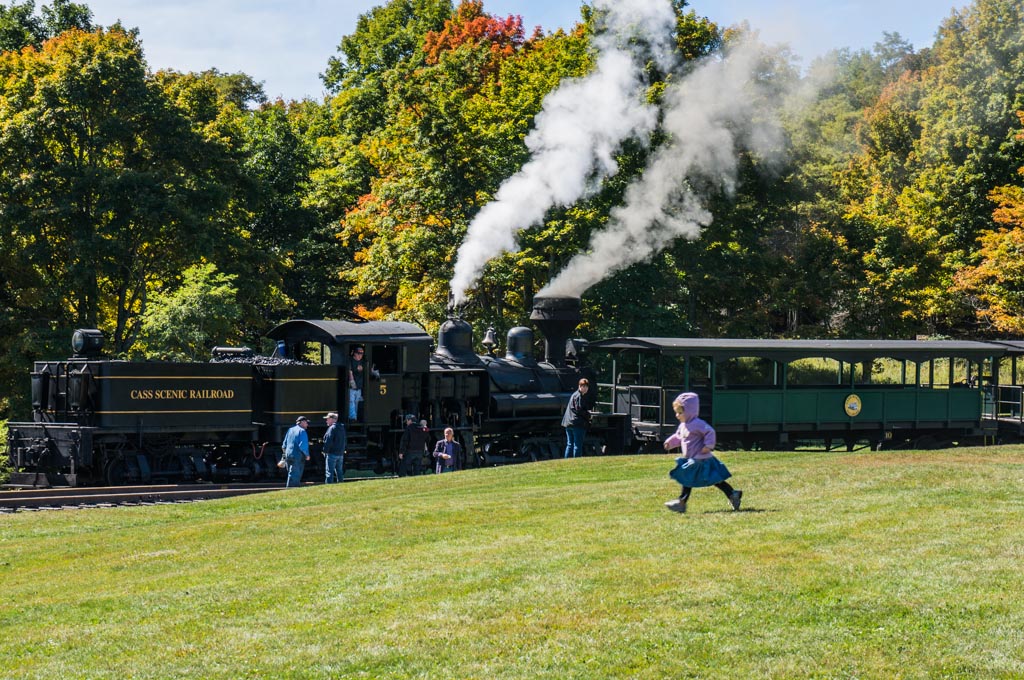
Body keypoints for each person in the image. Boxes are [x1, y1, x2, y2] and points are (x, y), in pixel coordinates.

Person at [663, 392, 742, 514]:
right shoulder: (683, 426)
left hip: (701, 459)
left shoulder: (697, 424)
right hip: (692, 458)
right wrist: (670, 443)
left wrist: (708, 446)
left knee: (687, 478)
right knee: (714, 480)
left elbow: (710, 432)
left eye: (680, 412)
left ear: (690, 411)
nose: (677, 415)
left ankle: (681, 502)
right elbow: (679, 437)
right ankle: (732, 493)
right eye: (676, 412)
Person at [561, 378, 591, 458]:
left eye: (586, 386)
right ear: (579, 386)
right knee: (577, 445)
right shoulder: (579, 396)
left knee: (570, 444)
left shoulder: (574, 395)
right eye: (583, 386)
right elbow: (579, 409)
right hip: (576, 423)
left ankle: (567, 461)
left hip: (568, 423)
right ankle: (576, 461)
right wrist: (588, 415)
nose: (585, 388)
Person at [282, 416, 310, 488]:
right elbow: (303, 445)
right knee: (295, 474)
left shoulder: (290, 430)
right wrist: (307, 455)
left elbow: (284, 445)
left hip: (288, 454)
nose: (307, 425)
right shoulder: (302, 431)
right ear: (302, 422)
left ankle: (290, 488)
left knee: (291, 473)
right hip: (297, 455)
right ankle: (292, 489)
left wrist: (285, 454)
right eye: (306, 423)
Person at [322, 411, 346, 484]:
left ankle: (329, 485)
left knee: (329, 471)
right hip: (340, 453)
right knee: (339, 471)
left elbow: (328, 441)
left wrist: (324, 451)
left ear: (332, 419)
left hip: (332, 453)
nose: (326, 421)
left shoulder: (331, 428)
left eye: (327, 419)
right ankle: (341, 483)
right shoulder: (342, 427)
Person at [348, 346, 366, 421]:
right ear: (354, 353)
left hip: (359, 386)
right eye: (358, 353)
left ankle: (355, 417)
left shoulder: (363, 362)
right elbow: (350, 372)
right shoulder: (350, 361)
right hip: (352, 386)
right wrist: (352, 383)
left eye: (362, 353)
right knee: (351, 401)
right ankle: (352, 417)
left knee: (357, 402)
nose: (360, 355)